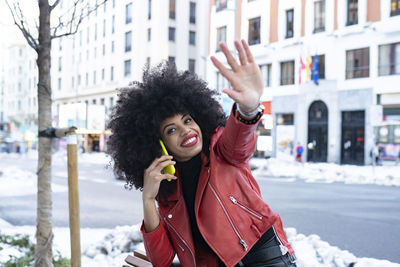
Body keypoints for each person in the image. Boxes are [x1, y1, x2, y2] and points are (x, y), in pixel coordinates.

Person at [107, 40, 296, 267]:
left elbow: (240, 141)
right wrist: (148, 199)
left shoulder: (221, 151)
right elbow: (161, 260)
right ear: (157, 144)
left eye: (187, 119)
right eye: (172, 129)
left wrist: (249, 108)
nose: (186, 130)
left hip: (263, 259)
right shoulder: (168, 189)